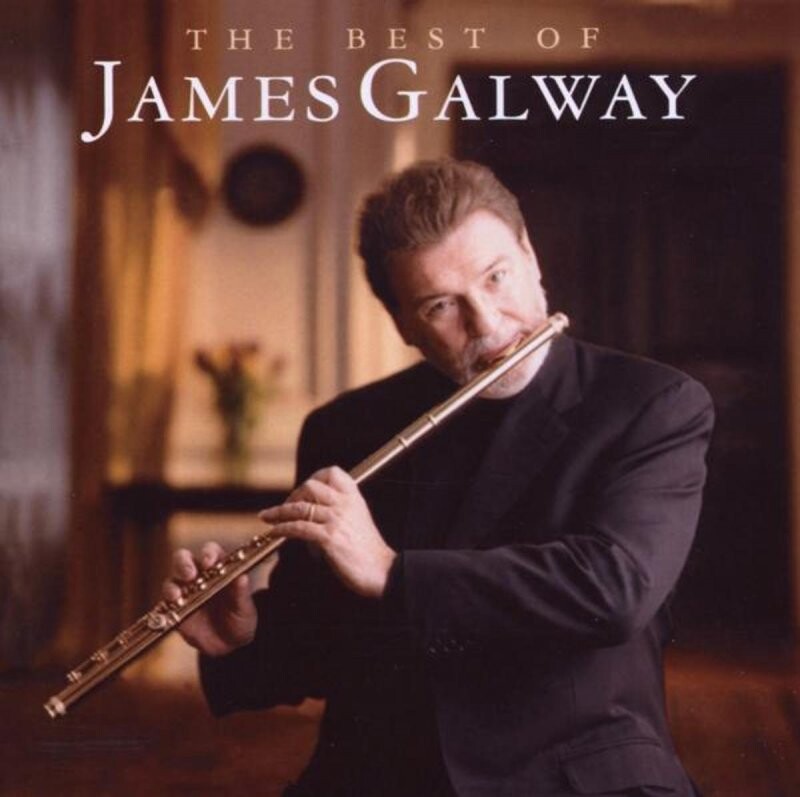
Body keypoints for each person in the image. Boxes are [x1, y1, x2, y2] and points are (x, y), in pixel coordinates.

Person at [165, 159, 713, 796]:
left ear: (531, 257)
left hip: (571, 779)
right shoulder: (345, 428)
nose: (487, 322)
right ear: (403, 323)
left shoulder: (650, 404)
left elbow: (614, 590)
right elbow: (326, 645)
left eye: (496, 277)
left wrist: (393, 574)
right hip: (381, 777)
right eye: (441, 305)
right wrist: (247, 638)